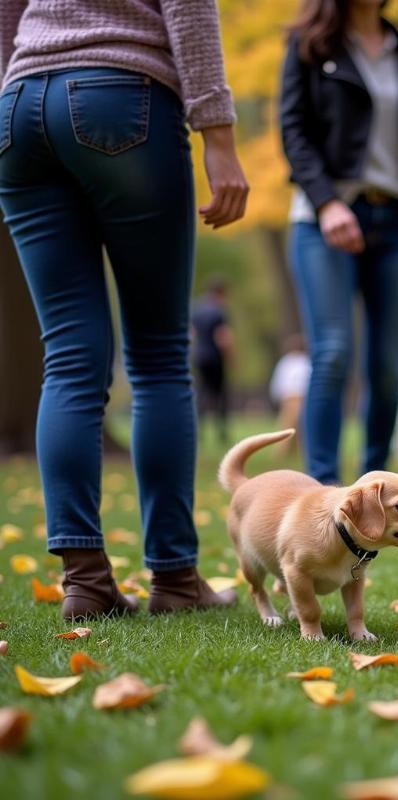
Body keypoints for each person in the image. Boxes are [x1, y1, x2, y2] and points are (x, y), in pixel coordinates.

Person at [0, 0, 249, 618]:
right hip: (122, 95)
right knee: (160, 355)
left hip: (19, 107)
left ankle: (85, 582)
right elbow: (188, 8)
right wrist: (217, 134)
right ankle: (173, 577)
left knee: (68, 356)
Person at [280, 0, 398, 485]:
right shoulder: (310, 46)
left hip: (396, 223)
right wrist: (326, 202)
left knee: (386, 367)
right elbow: (293, 133)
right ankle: (322, 487)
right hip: (323, 220)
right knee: (332, 352)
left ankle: (378, 488)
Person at [192, 276, 235, 444]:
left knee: (201, 393)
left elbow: (192, 333)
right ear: (221, 292)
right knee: (220, 395)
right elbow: (223, 337)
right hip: (215, 358)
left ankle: (198, 430)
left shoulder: (197, 309)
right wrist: (231, 358)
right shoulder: (219, 311)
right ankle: (221, 432)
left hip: (200, 356)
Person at [269, 334, 311, 456]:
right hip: (295, 397)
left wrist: (276, 396)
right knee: (294, 426)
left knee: (291, 426)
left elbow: (279, 380)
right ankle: (286, 452)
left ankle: (288, 451)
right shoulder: (302, 361)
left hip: (294, 397)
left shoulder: (288, 362)